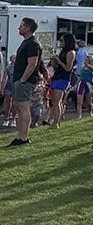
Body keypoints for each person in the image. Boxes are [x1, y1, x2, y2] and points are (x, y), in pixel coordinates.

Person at [7, 18, 43, 146]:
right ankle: (20, 135)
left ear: (28, 28)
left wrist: (22, 80)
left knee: (23, 107)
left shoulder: (33, 43)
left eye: (21, 26)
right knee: (17, 105)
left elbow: (32, 64)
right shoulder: (26, 42)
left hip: (25, 81)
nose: (19, 28)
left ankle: (24, 137)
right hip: (19, 80)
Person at [45, 32, 78, 128]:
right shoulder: (62, 51)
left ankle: (56, 122)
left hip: (63, 78)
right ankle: (55, 121)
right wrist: (54, 58)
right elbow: (56, 66)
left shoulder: (71, 52)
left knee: (57, 101)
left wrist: (59, 60)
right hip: (57, 76)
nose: (60, 42)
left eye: (62, 40)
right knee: (54, 101)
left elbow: (68, 68)